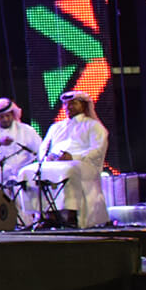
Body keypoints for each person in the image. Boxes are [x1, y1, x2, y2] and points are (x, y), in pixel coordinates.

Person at [19, 90, 110, 227]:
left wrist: (73, 157)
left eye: (73, 103)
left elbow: (98, 150)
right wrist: (46, 157)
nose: (68, 107)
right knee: (27, 172)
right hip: (55, 163)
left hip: (82, 164)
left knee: (68, 171)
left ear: (83, 105)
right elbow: (43, 147)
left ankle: (71, 215)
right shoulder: (56, 127)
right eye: (66, 104)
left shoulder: (93, 126)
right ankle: (46, 216)